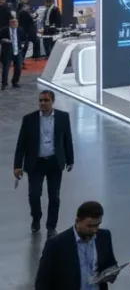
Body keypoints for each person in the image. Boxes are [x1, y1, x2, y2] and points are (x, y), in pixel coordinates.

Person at [14, 90, 74, 235]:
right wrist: (17, 165)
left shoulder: (63, 117)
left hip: (54, 162)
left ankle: (51, 226)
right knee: (34, 194)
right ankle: (36, 218)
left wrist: (70, 159)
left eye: (46, 100)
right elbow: (21, 143)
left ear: (52, 101)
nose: (42, 103)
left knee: (54, 196)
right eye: (40, 100)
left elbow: (67, 139)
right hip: (36, 163)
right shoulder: (29, 119)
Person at [35, 201, 120, 290]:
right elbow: (42, 282)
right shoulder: (56, 244)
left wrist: (112, 273)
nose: (94, 230)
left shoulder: (104, 237)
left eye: (97, 225)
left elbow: (111, 264)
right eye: (90, 226)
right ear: (77, 221)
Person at [1, 15, 28, 88]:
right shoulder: (4, 30)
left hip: (18, 51)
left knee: (18, 67)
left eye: (16, 22)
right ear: (9, 23)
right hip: (7, 52)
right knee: (6, 68)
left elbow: (25, 39)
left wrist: (22, 48)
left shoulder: (20, 29)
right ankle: (4, 84)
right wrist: (3, 40)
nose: (14, 24)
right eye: (12, 22)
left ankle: (15, 82)